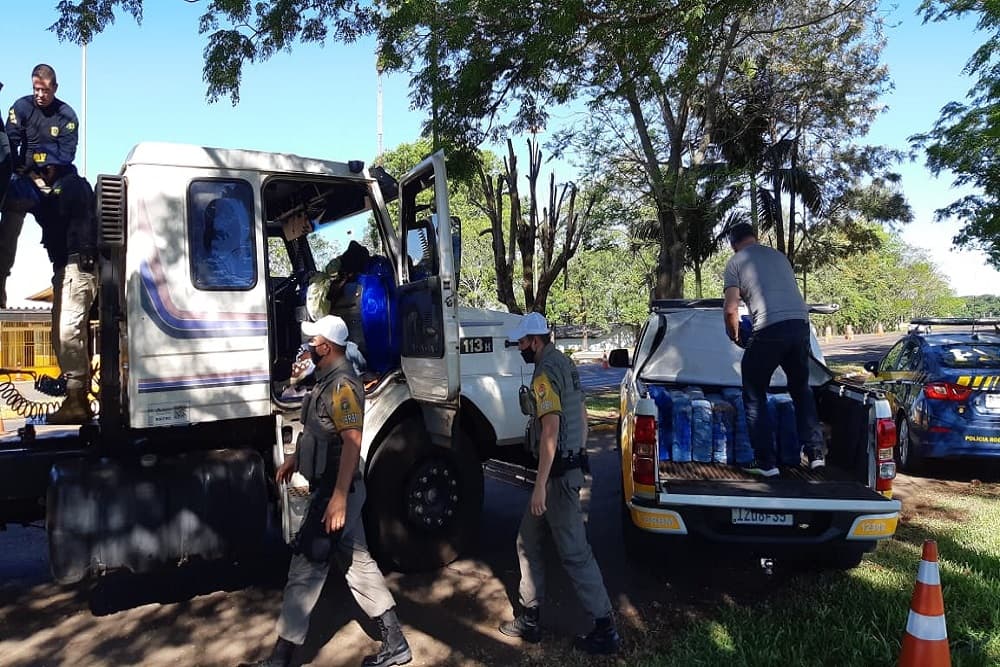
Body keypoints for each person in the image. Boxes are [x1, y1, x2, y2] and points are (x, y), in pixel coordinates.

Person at [242, 315, 411, 667]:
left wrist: (337, 498)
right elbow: (315, 428)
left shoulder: (344, 386)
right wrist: (292, 459)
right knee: (359, 565)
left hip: (337, 491)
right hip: (334, 489)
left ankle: (280, 659)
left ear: (327, 347)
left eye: (313, 341)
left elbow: (351, 442)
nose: (308, 345)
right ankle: (396, 643)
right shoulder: (324, 380)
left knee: (304, 570)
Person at [499, 312, 621, 655]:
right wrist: (580, 454)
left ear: (535, 341)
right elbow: (580, 413)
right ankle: (531, 618)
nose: (520, 348)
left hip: (555, 480)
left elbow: (550, 430)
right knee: (527, 540)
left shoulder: (544, 374)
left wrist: (541, 486)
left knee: (575, 553)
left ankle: (604, 628)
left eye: (522, 343)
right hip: (566, 469)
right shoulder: (566, 364)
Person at [722, 222, 826, 477]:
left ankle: (766, 463)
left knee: (754, 392)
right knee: (801, 389)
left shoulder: (736, 263)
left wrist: (735, 335)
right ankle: (815, 453)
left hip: (769, 328)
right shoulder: (779, 257)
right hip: (801, 325)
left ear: (733, 244)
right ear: (755, 237)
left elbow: (730, 309)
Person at [1, 64, 79, 308]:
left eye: (45, 90)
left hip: (54, 180)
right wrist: (19, 167)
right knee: (10, 219)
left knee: (62, 225)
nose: (40, 94)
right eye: (36, 89)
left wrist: (47, 172)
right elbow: (10, 141)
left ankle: (64, 277)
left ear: (54, 88)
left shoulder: (67, 115)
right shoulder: (21, 107)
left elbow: (67, 154)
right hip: (25, 179)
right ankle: (1, 277)